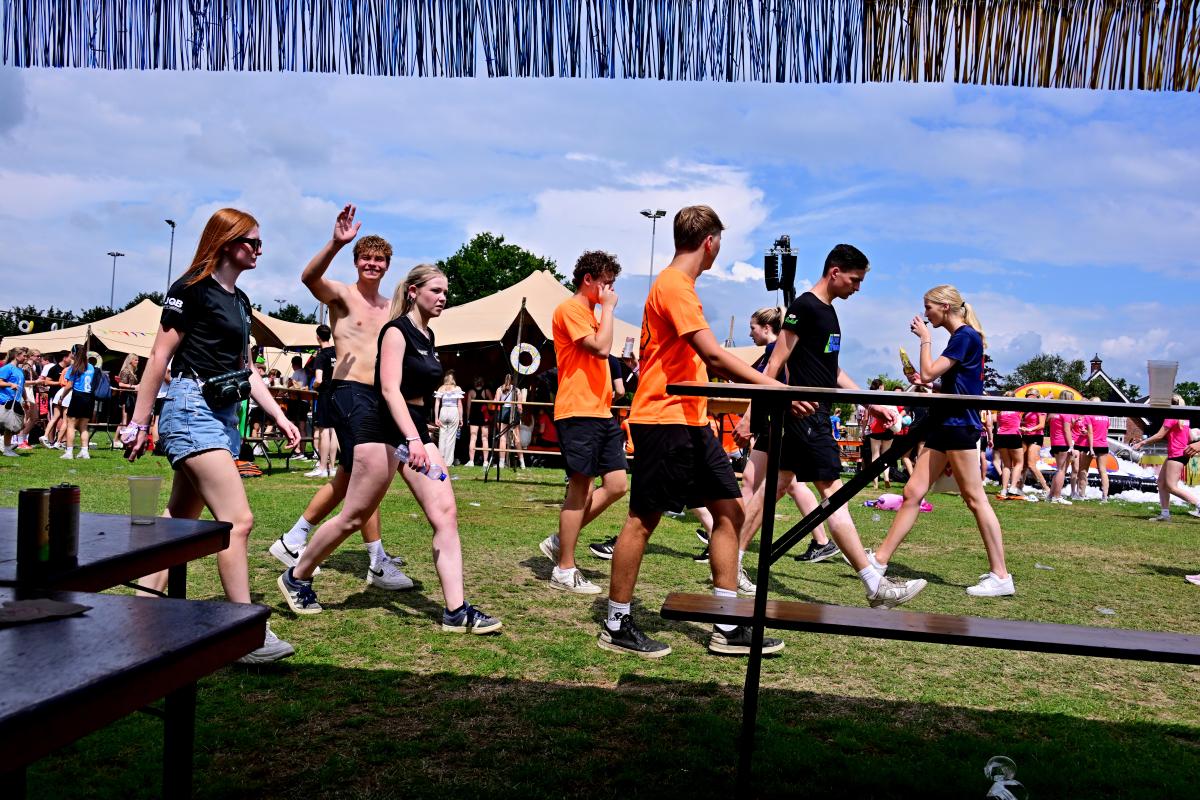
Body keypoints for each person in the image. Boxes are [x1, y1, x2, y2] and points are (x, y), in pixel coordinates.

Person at [599, 205, 791, 659]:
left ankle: (727, 624)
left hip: (691, 420)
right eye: (720, 242)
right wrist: (776, 388)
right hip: (663, 419)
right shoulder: (674, 286)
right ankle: (616, 622)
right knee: (643, 520)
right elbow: (714, 354)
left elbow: (701, 363)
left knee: (731, 512)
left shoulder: (680, 287)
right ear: (710, 242)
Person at [279, 264, 502, 635]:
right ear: (414, 291)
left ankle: (456, 611)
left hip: (414, 430)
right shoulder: (396, 331)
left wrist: (420, 434)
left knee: (445, 513)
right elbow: (388, 390)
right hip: (384, 430)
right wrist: (412, 440)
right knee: (354, 516)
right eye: (436, 291)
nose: (443, 298)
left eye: (446, 292)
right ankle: (297, 576)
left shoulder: (428, 335)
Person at [124, 207, 297, 663]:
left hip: (222, 414)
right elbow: (158, 358)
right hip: (190, 408)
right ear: (226, 242)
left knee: (178, 524)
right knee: (237, 521)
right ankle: (242, 633)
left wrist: (279, 416)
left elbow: (247, 369)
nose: (259, 251)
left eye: (260, 243)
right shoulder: (190, 290)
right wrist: (138, 423)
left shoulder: (240, 301)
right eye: (252, 242)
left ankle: (139, 614)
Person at [737, 244, 927, 615]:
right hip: (806, 415)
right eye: (855, 280)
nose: (858, 288)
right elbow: (775, 363)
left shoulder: (828, 312)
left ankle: (731, 560)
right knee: (833, 494)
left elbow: (833, 371)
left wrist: (871, 403)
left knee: (774, 486)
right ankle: (874, 583)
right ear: (835, 271)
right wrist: (751, 414)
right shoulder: (806, 307)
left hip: (811, 414)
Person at [269, 206, 411, 590]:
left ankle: (294, 538)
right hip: (349, 393)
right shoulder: (342, 296)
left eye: (379, 260)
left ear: (388, 265)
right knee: (369, 476)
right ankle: (376, 562)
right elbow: (309, 278)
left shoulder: (391, 308)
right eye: (366, 258)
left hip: (378, 398)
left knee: (351, 479)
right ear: (356, 261)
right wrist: (335, 243)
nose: (373, 264)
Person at [875, 285, 1014, 597]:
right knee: (912, 492)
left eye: (928, 307)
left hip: (958, 425)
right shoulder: (962, 338)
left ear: (945, 307)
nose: (925, 314)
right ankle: (879, 561)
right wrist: (930, 384)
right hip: (946, 424)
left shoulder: (964, 336)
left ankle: (1001, 575)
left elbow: (928, 371)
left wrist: (925, 340)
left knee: (975, 499)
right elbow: (952, 384)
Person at [538, 250, 628, 595]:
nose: (610, 290)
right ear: (588, 279)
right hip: (578, 411)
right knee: (581, 489)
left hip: (601, 411)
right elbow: (601, 349)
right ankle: (564, 569)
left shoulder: (592, 312)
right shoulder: (570, 309)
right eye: (606, 282)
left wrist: (604, 310)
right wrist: (609, 310)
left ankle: (561, 540)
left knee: (617, 484)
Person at [730, 306, 838, 570]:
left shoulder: (775, 351)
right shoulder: (774, 351)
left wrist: (748, 420)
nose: (750, 333)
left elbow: (764, 386)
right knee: (773, 482)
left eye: (753, 328)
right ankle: (822, 541)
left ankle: (730, 541)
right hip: (775, 423)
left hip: (777, 424)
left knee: (782, 483)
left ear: (767, 328)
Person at [1132, 395, 1200, 521]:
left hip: (1177, 455)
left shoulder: (1171, 417)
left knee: (1171, 486)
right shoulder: (1184, 418)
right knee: (1161, 483)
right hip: (1179, 454)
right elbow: (1188, 438)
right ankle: (1165, 514)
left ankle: (1198, 504)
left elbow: (1159, 435)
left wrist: (1142, 442)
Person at [307, 324, 338, 478]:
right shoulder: (336, 352)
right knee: (334, 430)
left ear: (318, 337)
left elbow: (318, 380)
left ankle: (322, 467)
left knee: (324, 430)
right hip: (337, 394)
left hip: (325, 394)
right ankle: (332, 467)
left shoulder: (321, 356)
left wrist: (313, 386)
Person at [59, 348, 97, 460]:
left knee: (71, 425)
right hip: (89, 397)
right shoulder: (91, 367)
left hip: (78, 396)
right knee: (84, 426)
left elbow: (69, 385)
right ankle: (85, 452)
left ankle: (69, 452)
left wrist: (62, 397)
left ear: (74, 354)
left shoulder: (74, 367)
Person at [1076, 398, 1111, 502]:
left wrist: (1091, 447)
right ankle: (1105, 496)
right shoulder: (1106, 417)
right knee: (1103, 470)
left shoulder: (1089, 416)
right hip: (1103, 444)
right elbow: (1105, 431)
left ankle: (1081, 494)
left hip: (1090, 445)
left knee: (1083, 470)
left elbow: (1091, 432)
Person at [1046, 391, 1078, 505]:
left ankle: (1051, 495)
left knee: (1059, 470)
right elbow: (1066, 430)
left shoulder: (1053, 413)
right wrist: (1071, 446)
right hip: (1063, 443)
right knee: (1061, 470)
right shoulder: (1066, 413)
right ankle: (1057, 496)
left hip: (1055, 443)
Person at [1017, 388, 1050, 496]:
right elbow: (1026, 421)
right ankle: (1019, 487)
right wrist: (1021, 425)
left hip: (1036, 436)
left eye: (1030, 395)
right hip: (1025, 436)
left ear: (1036, 396)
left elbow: (1042, 425)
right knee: (1023, 464)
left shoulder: (1041, 407)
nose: (1028, 397)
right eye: (1027, 395)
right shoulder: (1027, 408)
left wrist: (1030, 429)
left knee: (1031, 464)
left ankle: (1046, 488)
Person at [992, 392, 1025, 500]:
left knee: (1006, 465)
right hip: (1013, 435)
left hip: (1001, 436)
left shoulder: (1000, 410)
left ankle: (1004, 490)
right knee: (1019, 463)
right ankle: (1013, 487)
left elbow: (997, 423)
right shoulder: (1018, 408)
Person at [864, 378, 895, 489]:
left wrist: (863, 430)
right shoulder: (887, 396)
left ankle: (875, 482)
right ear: (881, 386)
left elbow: (866, 417)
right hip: (888, 427)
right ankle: (886, 477)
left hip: (875, 428)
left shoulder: (870, 398)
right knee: (886, 455)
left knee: (875, 455)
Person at [0, 347, 29, 457]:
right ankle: (6, 448)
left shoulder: (20, 370)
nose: (26, 358)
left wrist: (26, 400)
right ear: (17, 356)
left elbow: (22, 387)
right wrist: (10, 384)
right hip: (4, 401)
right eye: (24, 355)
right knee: (8, 426)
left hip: (15, 401)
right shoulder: (7, 368)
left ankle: (6, 448)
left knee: (14, 426)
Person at [433, 369, 465, 466]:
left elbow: (437, 404)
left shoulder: (441, 388)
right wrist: (461, 418)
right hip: (453, 411)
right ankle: (448, 462)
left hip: (443, 411)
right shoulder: (457, 388)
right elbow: (460, 405)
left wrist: (436, 418)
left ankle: (440, 459)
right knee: (451, 437)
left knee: (442, 436)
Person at [42, 351, 73, 448]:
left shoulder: (67, 368)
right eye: (70, 357)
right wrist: (60, 383)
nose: (71, 359)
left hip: (63, 394)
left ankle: (58, 440)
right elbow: (46, 382)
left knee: (59, 418)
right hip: (56, 395)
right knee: (58, 419)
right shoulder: (55, 368)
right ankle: (52, 440)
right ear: (64, 358)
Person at [494, 373, 524, 469]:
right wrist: (520, 414)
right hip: (513, 413)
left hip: (502, 413)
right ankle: (522, 463)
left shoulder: (499, 389)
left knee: (502, 438)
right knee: (517, 438)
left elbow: (496, 402)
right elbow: (520, 407)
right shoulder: (517, 390)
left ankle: (501, 463)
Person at [465, 376, 490, 466]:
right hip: (484, 416)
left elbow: (468, 407)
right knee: (485, 438)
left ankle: (471, 461)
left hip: (474, 416)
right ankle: (485, 461)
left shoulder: (471, 392)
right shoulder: (486, 391)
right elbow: (492, 403)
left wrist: (468, 418)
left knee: (473, 438)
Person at [117, 354, 140, 426]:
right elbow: (120, 384)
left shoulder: (132, 372)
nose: (137, 362)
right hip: (125, 397)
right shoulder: (126, 371)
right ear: (130, 361)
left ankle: (121, 433)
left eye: (138, 360)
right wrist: (134, 386)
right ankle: (122, 433)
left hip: (130, 396)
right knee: (125, 419)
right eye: (135, 360)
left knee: (128, 419)